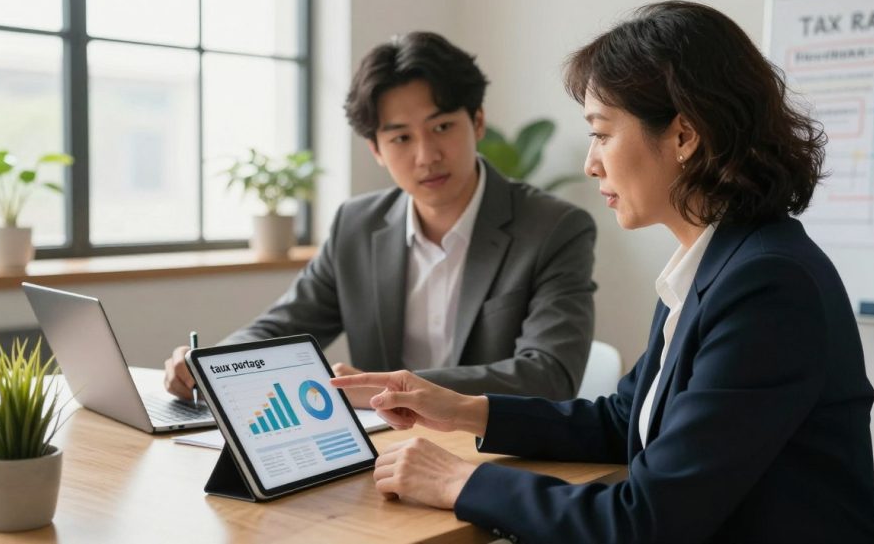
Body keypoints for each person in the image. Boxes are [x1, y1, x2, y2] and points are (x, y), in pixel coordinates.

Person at [331, 1, 874, 543]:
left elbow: (646, 520)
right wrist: (463, 410)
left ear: (683, 136)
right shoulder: (720, 261)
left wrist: (459, 480)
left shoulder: (765, 287)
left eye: (601, 132)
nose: (589, 162)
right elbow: (627, 419)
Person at [164, 31, 597, 408]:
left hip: (491, 452)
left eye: (443, 127)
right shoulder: (357, 224)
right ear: (376, 149)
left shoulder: (554, 228)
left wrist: (390, 388)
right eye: (401, 138)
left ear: (477, 122)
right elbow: (283, 327)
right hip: (383, 452)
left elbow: (549, 377)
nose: (426, 156)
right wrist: (210, 367)